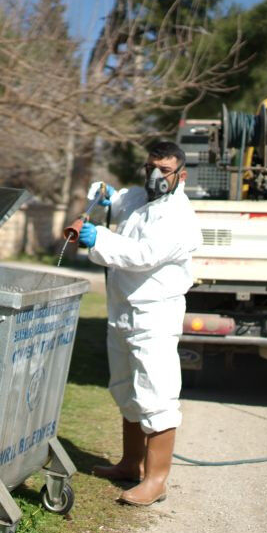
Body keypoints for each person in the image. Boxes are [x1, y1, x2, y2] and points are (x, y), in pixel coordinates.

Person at [77, 141, 202, 506]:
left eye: (164, 170)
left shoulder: (178, 216)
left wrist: (97, 237)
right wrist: (106, 195)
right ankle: (131, 464)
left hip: (155, 314)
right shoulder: (139, 197)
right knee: (125, 386)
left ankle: (156, 479)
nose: (155, 176)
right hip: (123, 309)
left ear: (181, 174)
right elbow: (123, 203)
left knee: (156, 393)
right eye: (150, 167)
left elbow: (143, 254)